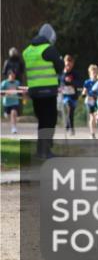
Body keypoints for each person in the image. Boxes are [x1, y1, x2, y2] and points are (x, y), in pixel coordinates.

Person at [23, 24, 63, 159]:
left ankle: (41, 151)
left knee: (42, 121)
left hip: (34, 91)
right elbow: (60, 67)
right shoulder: (48, 49)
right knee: (49, 121)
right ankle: (45, 150)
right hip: (48, 91)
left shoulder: (27, 50)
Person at [58, 54, 81, 136]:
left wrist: (72, 82)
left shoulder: (75, 73)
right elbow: (58, 82)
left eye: (70, 64)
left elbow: (79, 83)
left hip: (73, 96)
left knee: (71, 112)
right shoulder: (61, 73)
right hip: (64, 96)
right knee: (69, 107)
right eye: (67, 64)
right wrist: (64, 77)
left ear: (73, 64)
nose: (68, 66)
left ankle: (68, 126)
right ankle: (71, 128)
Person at [2, 69, 22, 134]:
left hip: (15, 102)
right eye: (12, 76)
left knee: (13, 113)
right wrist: (6, 93)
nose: (13, 77)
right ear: (8, 75)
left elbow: (20, 91)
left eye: (14, 76)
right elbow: (1, 93)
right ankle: (10, 120)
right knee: (7, 116)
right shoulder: (4, 83)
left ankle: (14, 128)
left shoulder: (17, 82)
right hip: (7, 103)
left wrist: (21, 93)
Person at [84, 64, 98, 138]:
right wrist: (84, 94)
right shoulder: (87, 82)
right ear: (90, 73)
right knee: (92, 117)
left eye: (96, 72)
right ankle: (92, 133)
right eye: (93, 72)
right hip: (90, 101)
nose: (94, 74)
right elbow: (84, 91)